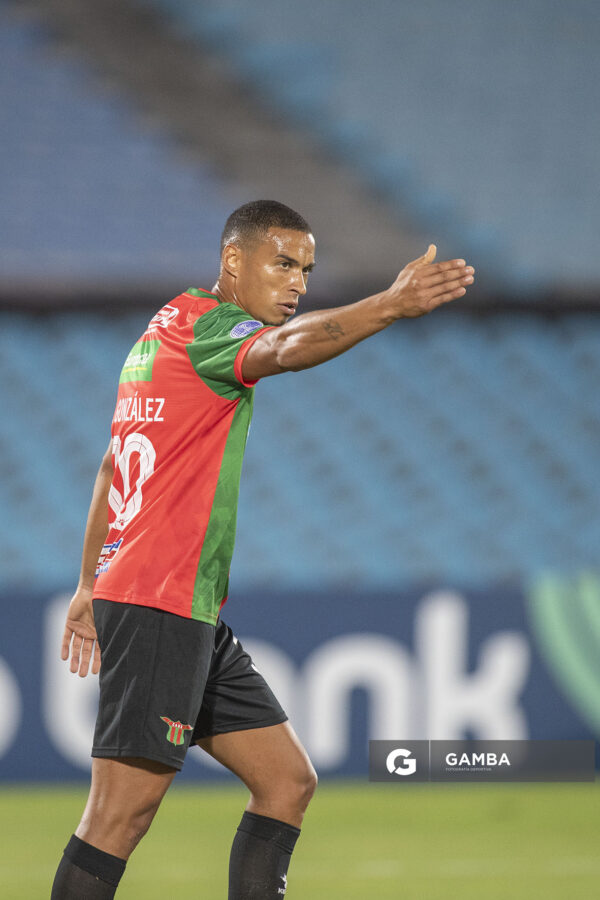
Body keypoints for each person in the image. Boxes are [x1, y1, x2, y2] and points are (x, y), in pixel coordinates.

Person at [52, 199, 475, 899]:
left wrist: (89, 583)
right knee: (118, 817)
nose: (298, 283)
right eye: (283, 264)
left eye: (306, 270)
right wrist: (389, 306)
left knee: (286, 782)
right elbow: (283, 350)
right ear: (233, 260)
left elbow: (110, 466)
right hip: (160, 599)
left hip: (179, 602)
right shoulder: (215, 330)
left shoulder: (163, 330)